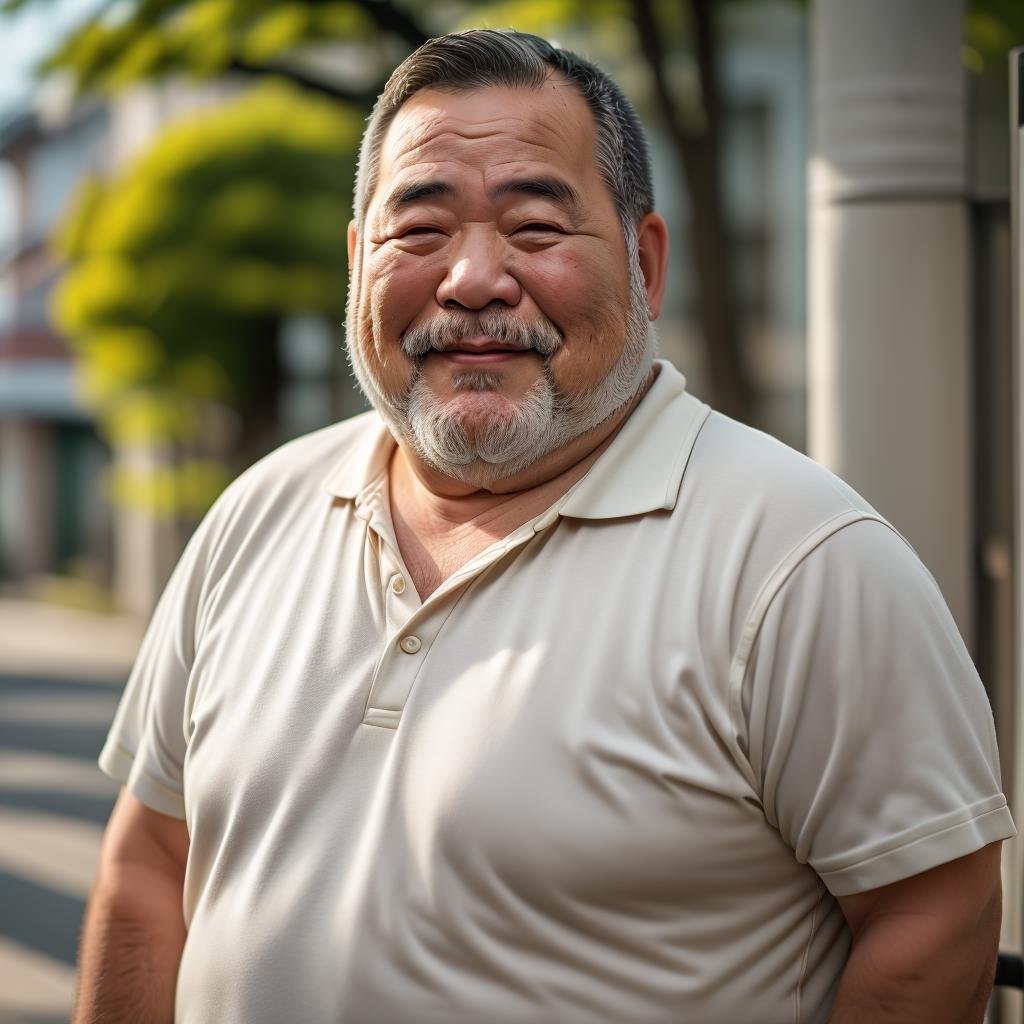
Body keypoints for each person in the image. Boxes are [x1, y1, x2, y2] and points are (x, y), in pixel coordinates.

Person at [74, 28, 1015, 1024]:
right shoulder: (256, 514)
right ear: (358, 262)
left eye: (533, 228)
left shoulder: (800, 558)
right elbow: (149, 863)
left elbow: (932, 917)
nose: (473, 278)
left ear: (645, 264)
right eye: (420, 230)